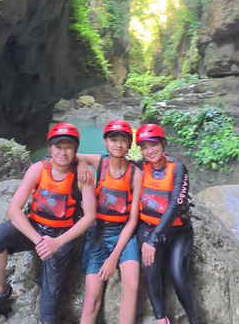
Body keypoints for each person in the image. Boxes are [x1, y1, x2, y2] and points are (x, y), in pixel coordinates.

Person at [0, 122, 97, 324]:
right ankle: (0, 291)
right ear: (50, 149)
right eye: (59, 147)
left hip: (61, 237)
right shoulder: (38, 169)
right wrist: (40, 241)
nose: (63, 152)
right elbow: (14, 210)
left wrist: (56, 243)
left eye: (69, 147)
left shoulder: (82, 177)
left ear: (75, 150)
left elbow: (90, 216)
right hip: (35, 230)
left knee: (48, 314)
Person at [76, 119, 143, 324]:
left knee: (131, 286)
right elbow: (74, 155)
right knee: (90, 302)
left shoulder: (136, 174)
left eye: (123, 140)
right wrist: (80, 164)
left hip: (123, 234)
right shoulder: (100, 162)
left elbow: (132, 221)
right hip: (97, 233)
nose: (118, 144)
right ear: (105, 142)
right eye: (114, 140)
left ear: (129, 145)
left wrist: (114, 257)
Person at [135, 123, 199, 324]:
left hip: (178, 231)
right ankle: (160, 318)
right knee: (151, 267)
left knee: (177, 273)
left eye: (153, 144)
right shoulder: (138, 167)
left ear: (163, 144)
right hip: (148, 227)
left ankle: (195, 320)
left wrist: (153, 240)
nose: (149, 151)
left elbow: (176, 203)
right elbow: (113, 166)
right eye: (144, 147)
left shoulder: (178, 168)